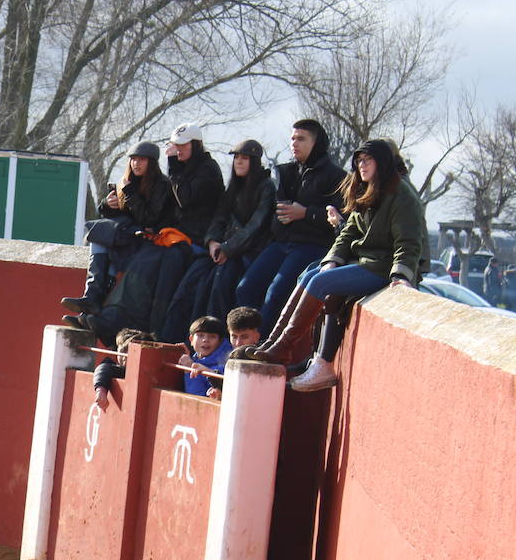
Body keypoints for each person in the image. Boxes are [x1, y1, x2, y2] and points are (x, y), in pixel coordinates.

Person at [240, 139, 425, 393]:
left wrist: (401, 275)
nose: (361, 165)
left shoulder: (401, 194)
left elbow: (409, 242)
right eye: (359, 161)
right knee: (310, 274)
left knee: (320, 282)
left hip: (382, 266)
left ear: (382, 162)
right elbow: (348, 232)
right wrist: (333, 260)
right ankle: (272, 343)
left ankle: (283, 348)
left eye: (367, 160)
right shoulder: (366, 189)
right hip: (362, 260)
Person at [234, 119, 347, 329]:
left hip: (313, 245)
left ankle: (262, 347)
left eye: (301, 139)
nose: (294, 143)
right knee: (245, 288)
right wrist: (284, 216)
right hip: (282, 242)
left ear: (316, 143)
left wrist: (305, 213)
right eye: (293, 138)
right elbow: (276, 209)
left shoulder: (337, 177)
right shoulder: (285, 172)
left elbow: (341, 220)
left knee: (276, 293)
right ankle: (245, 337)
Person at [162, 139, 274, 342]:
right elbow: (219, 217)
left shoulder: (266, 187)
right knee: (193, 280)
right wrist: (213, 242)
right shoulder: (234, 187)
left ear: (255, 161)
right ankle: (184, 340)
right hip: (222, 249)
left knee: (220, 282)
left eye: (245, 158)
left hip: (248, 253)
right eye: (237, 157)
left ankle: (218, 340)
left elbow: (255, 227)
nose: (239, 162)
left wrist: (227, 250)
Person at [61, 141, 180, 320]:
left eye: (142, 160)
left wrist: (129, 192)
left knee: (104, 240)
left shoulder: (161, 185)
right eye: (133, 159)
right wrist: (107, 204)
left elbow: (148, 218)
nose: (136, 164)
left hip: (145, 240)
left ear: (152, 162)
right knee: (99, 238)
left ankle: (90, 308)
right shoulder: (127, 182)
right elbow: (111, 213)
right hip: (124, 235)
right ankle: (89, 303)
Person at [165, 123, 225, 252]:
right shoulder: (183, 167)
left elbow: (184, 199)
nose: (177, 149)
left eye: (183, 144)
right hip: (181, 231)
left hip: (200, 236)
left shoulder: (208, 168)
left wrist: (173, 167)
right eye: (175, 145)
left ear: (196, 145)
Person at [92, 328, 154, 411]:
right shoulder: (118, 369)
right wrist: (101, 390)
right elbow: (104, 369)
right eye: (122, 351)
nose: (124, 355)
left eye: (128, 350)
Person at [177, 316, 231, 398]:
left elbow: (196, 398)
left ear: (220, 341)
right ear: (191, 339)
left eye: (212, 336)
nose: (205, 340)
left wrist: (189, 370)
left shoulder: (226, 365)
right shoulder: (193, 359)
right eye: (200, 335)